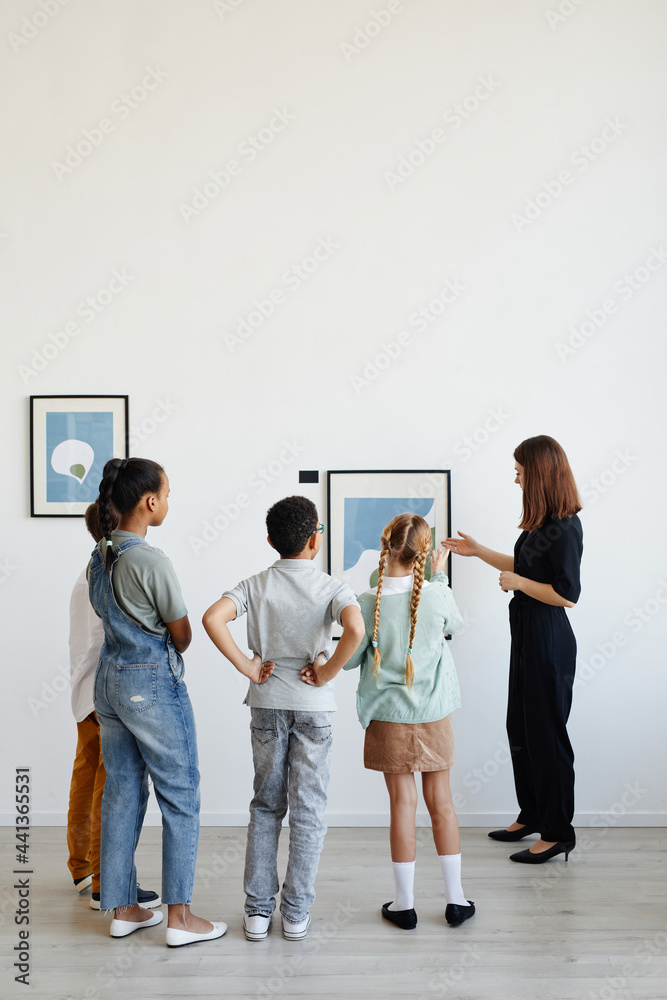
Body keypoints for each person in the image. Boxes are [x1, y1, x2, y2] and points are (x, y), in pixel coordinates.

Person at [203, 495, 364, 942]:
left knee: (266, 805)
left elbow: (213, 618)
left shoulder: (256, 584)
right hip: (314, 710)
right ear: (315, 539)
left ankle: (257, 913)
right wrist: (327, 671)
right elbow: (355, 630)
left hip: (267, 704)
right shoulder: (333, 588)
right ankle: (295, 914)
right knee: (309, 811)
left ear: (272, 540)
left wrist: (248, 666)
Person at [304, 513, 474, 929]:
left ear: (386, 548)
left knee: (403, 804)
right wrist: (440, 578)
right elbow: (456, 624)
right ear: (423, 552)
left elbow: (351, 662)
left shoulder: (366, 602)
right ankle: (456, 901)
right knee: (442, 803)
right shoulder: (435, 595)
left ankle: (405, 905)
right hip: (433, 716)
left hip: (387, 721)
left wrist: (324, 662)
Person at [89, 457, 225, 945]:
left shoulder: (99, 555)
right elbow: (182, 634)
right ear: (149, 502)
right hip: (149, 684)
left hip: (108, 683)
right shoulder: (150, 559)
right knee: (181, 795)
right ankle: (181, 919)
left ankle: (124, 908)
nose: (167, 502)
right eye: (166, 495)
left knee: (122, 792)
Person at [443, 435, 583, 864]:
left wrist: (521, 584)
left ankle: (558, 832)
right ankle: (533, 814)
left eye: (520, 470)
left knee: (547, 733)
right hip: (525, 632)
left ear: (539, 473)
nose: (515, 477)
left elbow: (568, 594)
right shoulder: (540, 524)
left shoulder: (565, 526)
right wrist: (478, 551)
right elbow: (521, 566)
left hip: (548, 639)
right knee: (520, 727)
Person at [67, 501, 159, 912]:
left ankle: (83, 867)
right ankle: (108, 882)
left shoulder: (84, 574)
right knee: (115, 785)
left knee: (87, 776)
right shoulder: (110, 574)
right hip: (108, 690)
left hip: (84, 689)